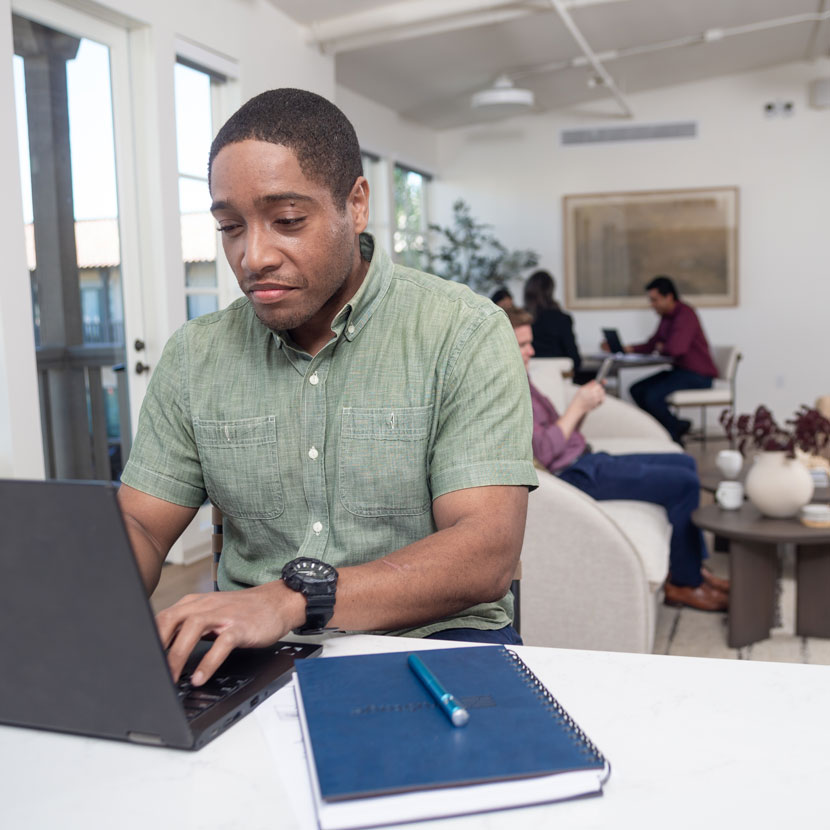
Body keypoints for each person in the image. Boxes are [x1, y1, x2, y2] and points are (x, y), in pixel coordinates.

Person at [118, 88, 538, 686]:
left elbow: (486, 552)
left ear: (356, 204)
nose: (253, 255)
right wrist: (78, 597)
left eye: (287, 221)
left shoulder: (462, 333)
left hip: (440, 641)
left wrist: (288, 601)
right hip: (252, 654)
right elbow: (139, 525)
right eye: (230, 227)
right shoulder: (195, 356)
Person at [508, 307, 728, 612]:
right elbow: (546, 451)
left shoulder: (524, 378)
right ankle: (684, 584)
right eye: (522, 345)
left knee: (686, 463)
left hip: (584, 458)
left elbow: (559, 434)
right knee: (685, 483)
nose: (532, 350)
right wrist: (577, 406)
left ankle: (692, 568)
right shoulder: (509, 389)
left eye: (529, 342)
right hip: (574, 474)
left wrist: (583, 409)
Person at [619, 276, 718, 444]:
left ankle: (673, 436)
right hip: (680, 371)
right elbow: (653, 344)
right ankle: (675, 426)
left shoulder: (686, 314)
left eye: (655, 300)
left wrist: (661, 346)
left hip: (698, 375)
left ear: (669, 297)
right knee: (636, 389)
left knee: (652, 396)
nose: (652, 305)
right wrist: (627, 349)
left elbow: (676, 349)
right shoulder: (666, 317)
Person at [523, 269, 584, 377]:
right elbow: (575, 360)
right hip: (558, 379)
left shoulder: (522, 320)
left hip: (527, 380)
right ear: (550, 291)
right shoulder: (562, 319)